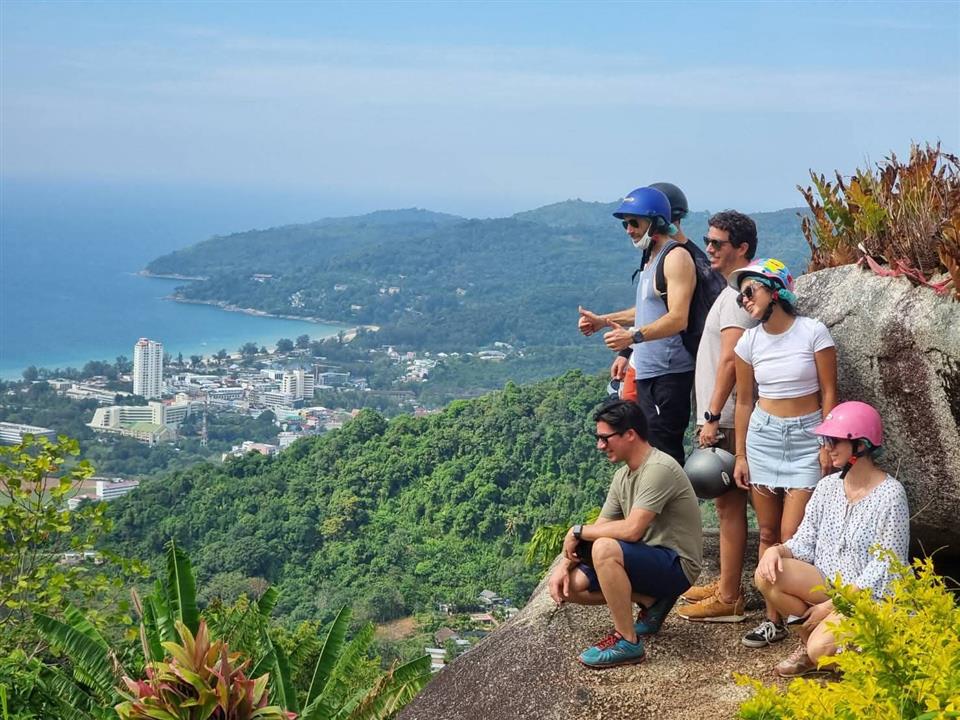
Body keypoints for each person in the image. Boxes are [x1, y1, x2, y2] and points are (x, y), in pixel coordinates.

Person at [754, 401, 909, 676]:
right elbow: (804, 541)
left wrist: (830, 607)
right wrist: (777, 551)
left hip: (870, 598)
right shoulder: (827, 487)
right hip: (830, 583)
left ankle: (847, 651)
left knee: (820, 650)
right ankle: (809, 642)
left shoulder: (891, 495)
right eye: (826, 440)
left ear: (861, 445)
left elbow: (884, 569)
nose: (827, 448)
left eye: (834, 441)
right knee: (766, 575)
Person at [730, 258, 838, 649]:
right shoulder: (749, 342)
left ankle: (803, 617)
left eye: (750, 291)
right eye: (740, 294)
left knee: (791, 534)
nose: (744, 299)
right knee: (768, 532)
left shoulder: (813, 332)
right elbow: (744, 401)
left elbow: (829, 391)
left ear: (775, 290)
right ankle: (771, 619)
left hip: (808, 436)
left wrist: (828, 441)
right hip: (763, 437)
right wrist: (740, 455)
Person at [547, 398, 703, 668]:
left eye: (605, 438)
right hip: (647, 560)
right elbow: (600, 526)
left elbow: (631, 530)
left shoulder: (659, 469)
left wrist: (577, 530)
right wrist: (563, 566)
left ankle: (627, 641)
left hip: (677, 564)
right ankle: (651, 601)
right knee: (570, 587)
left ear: (630, 434)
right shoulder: (623, 476)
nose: (600, 445)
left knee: (604, 548)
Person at [676, 210, 759, 623]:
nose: (708, 249)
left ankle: (729, 596)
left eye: (717, 243)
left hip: (726, 417)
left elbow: (731, 360)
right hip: (722, 414)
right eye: (707, 241)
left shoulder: (741, 297)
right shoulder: (733, 291)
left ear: (741, 248)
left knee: (729, 507)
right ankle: (726, 584)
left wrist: (710, 416)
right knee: (727, 507)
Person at [577, 186, 697, 466]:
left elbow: (679, 317)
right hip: (647, 372)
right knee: (645, 455)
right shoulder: (651, 257)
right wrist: (603, 321)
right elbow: (646, 310)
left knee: (663, 456)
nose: (629, 229)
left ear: (655, 221)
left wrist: (633, 336)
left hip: (668, 375)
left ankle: (666, 510)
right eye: (625, 224)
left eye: (635, 223)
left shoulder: (676, 257)